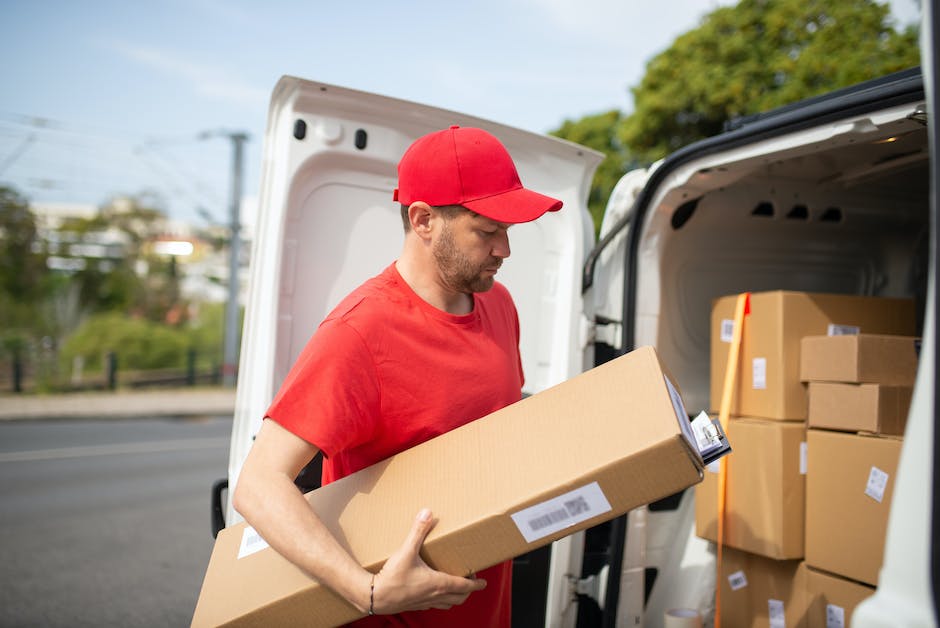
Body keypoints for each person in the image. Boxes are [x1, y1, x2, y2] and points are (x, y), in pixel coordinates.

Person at [232, 125, 563, 627]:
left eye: (508, 232)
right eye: (488, 230)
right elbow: (257, 484)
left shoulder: (500, 306)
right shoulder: (361, 332)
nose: (505, 250)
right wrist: (365, 591)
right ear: (424, 220)